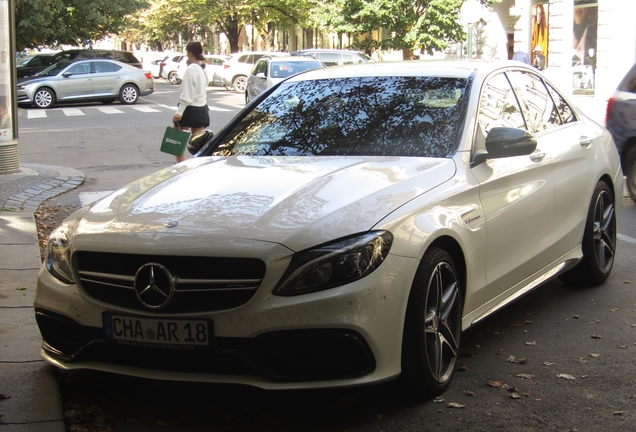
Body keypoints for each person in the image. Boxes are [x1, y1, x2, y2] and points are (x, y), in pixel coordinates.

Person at [172, 41, 210, 163]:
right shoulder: (202, 68)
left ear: (190, 52)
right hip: (201, 108)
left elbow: (187, 93)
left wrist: (179, 111)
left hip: (189, 109)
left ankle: (180, 166)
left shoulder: (191, 69)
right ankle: (200, 165)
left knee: (175, 141)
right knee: (199, 145)